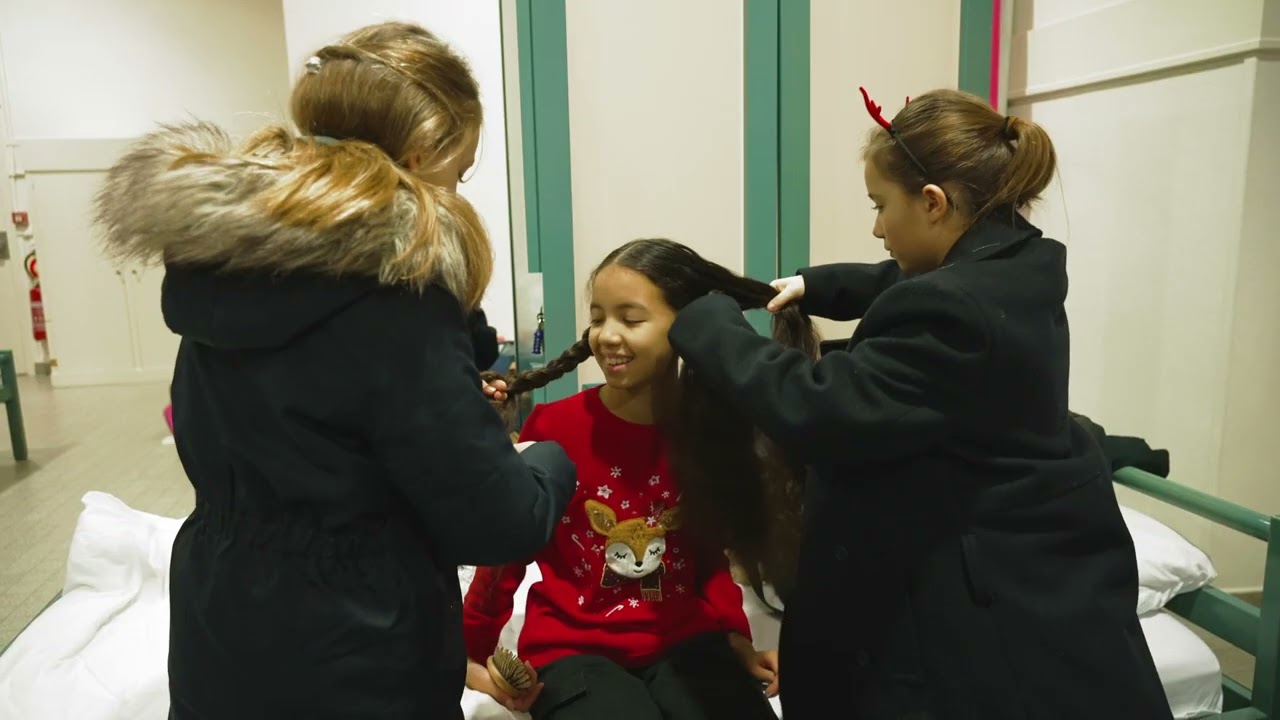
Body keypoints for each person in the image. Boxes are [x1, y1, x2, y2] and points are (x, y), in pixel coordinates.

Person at [93, 22, 576, 720]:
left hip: (218, 623)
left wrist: (454, 356)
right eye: (461, 171)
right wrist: (546, 460)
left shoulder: (230, 269)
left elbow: (315, 418)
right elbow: (499, 522)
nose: (458, 192)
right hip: (359, 648)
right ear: (421, 156)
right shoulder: (399, 304)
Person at [664, 88, 1174, 719]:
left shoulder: (955, 312)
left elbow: (820, 409)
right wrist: (816, 286)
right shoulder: (1017, 260)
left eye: (881, 206)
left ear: (933, 202)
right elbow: (911, 277)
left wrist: (710, 324)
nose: (877, 228)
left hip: (983, 604)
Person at [465, 239, 815, 720]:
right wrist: (470, 653)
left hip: (687, 642)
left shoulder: (700, 429)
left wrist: (734, 634)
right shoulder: (553, 428)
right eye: (598, 318)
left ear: (688, 327)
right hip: (573, 650)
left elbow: (707, 552)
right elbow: (507, 550)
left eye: (630, 320)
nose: (607, 335)